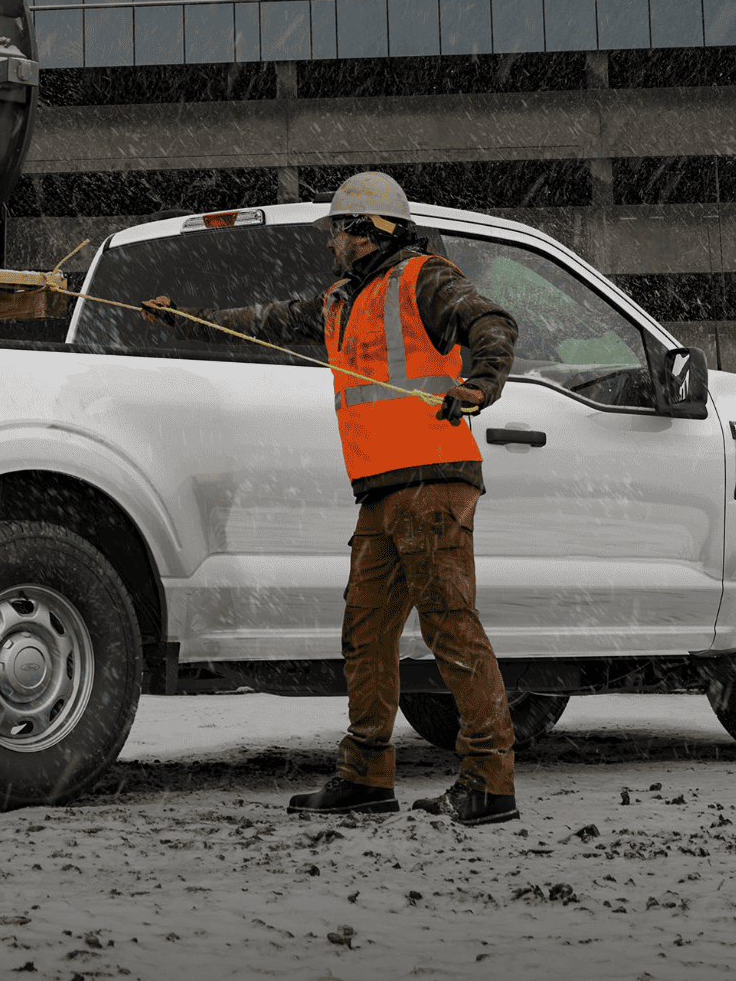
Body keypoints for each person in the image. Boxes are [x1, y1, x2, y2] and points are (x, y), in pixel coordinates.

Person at [144, 172, 524, 826]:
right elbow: (261, 322)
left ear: (370, 231)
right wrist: (186, 318)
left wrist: (481, 381)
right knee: (365, 634)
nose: (331, 244)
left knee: (451, 630)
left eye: (339, 231)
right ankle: (366, 776)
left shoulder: (422, 278)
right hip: (382, 490)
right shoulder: (341, 301)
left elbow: (491, 321)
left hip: (432, 480)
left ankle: (490, 784)